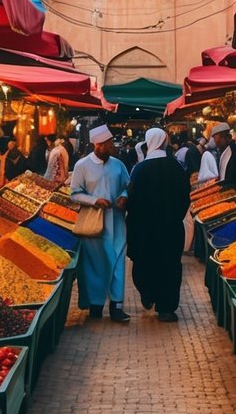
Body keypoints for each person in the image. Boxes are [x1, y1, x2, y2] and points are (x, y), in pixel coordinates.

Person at [126, 128, 191, 322]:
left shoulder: (140, 169)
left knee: (145, 262)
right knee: (170, 266)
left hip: (145, 229)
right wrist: (175, 216)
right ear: (164, 142)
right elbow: (185, 195)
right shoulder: (176, 167)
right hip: (170, 228)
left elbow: (131, 197)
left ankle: (148, 293)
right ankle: (166, 308)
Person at [70, 124, 131, 322]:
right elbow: (74, 194)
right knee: (95, 265)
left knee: (117, 263)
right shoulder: (82, 166)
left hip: (117, 221)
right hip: (94, 225)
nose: (113, 146)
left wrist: (124, 196)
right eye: (109, 143)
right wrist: (95, 200)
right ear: (98, 145)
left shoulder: (118, 165)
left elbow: (128, 185)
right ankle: (96, 305)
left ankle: (117, 306)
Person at [211, 122, 236, 189]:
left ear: (226, 138)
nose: (215, 142)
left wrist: (222, 187)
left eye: (216, 138)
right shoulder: (221, 152)